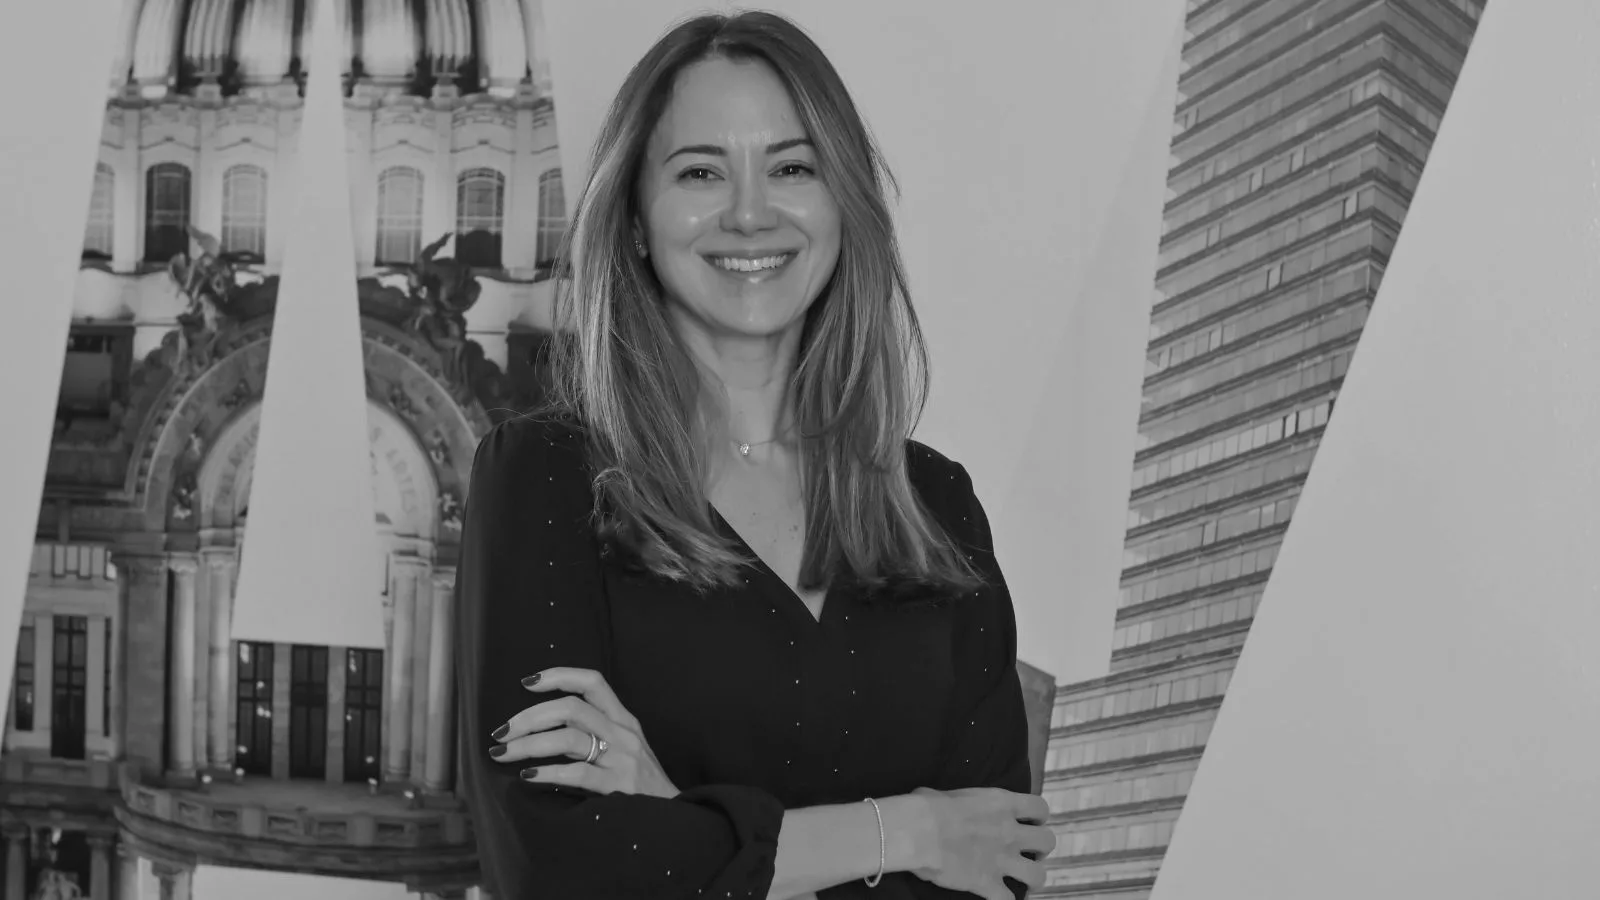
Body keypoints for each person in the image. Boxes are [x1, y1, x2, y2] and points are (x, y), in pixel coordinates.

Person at [454, 10, 1055, 900]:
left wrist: (674, 818)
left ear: (843, 204)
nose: (748, 213)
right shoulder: (543, 478)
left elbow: (1001, 870)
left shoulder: (938, 505)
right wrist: (910, 831)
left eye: (792, 168)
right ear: (634, 219)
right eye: (700, 171)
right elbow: (557, 871)